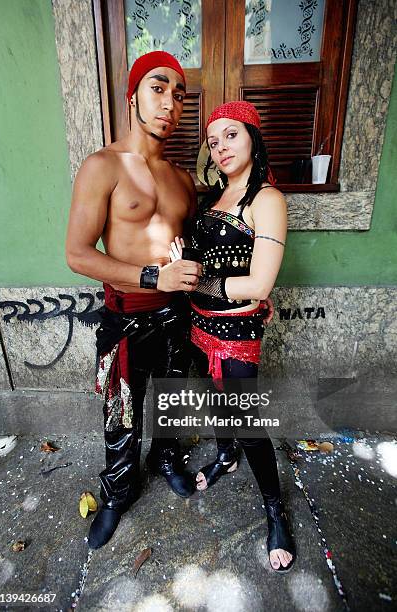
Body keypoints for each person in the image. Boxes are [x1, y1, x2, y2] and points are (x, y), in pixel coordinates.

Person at [65, 51, 203, 550]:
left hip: (177, 318)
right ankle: (119, 492)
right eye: (158, 88)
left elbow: (202, 243)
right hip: (124, 319)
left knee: (171, 403)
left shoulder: (184, 180)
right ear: (133, 96)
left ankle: (164, 459)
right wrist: (153, 275)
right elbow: (78, 254)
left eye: (179, 95)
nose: (170, 103)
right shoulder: (103, 166)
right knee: (121, 417)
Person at [170, 101, 296, 572]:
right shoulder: (211, 201)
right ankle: (224, 455)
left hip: (238, 327)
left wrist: (197, 282)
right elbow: (199, 263)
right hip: (197, 322)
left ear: (252, 138)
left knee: (248, 422)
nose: (220, 146)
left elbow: (259, 284)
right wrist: (181, 256)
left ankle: (274, 508)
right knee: (213, 401)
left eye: (231, 135)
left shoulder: (267, 200)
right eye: (214, 139)